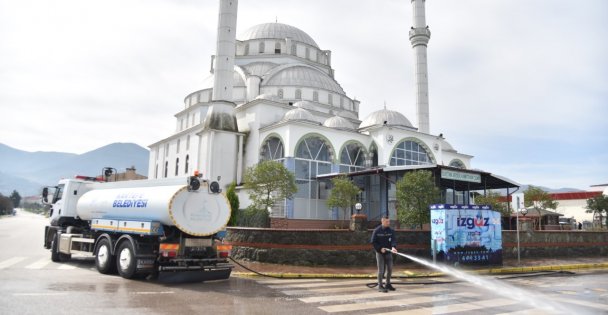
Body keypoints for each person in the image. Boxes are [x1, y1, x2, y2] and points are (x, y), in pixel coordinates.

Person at [371, 215, 398, 293]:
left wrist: (393, 247)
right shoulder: (377, 231)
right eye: (387, 221)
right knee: (381, 270)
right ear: (382, 221)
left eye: (389, 221)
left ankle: (387, 284)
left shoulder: (391, 231)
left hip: (388, 252)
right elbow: (373, 241)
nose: (388, 223)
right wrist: (380, 248)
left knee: (390, 268)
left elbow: (393, 240)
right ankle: (380, 285)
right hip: (380, 253)